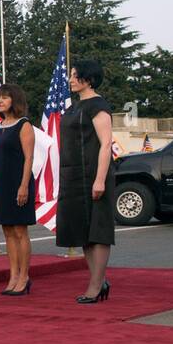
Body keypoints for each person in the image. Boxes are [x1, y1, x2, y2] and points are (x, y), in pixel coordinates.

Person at [57, 59, 115, 303]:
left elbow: (105, 144)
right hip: (73, 176)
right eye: (70, 75)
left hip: (93, 174)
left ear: (88, 79)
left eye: (75, 75)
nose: (70, 79)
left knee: (98, 230)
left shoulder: (98, 106)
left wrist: (100, 180)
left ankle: (95, 285)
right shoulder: (73, 107)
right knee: (82, 230)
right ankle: (98, 280)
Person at [0, 84, 37, 295]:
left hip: (19, 183)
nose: (0, 101)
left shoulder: (24, 125)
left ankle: (24, 277)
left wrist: (24, 185)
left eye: (5, 97)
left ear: (14, 101)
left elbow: (29, 158)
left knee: (19, 230)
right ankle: (13, 275)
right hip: (0, 184)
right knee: (7, 231)